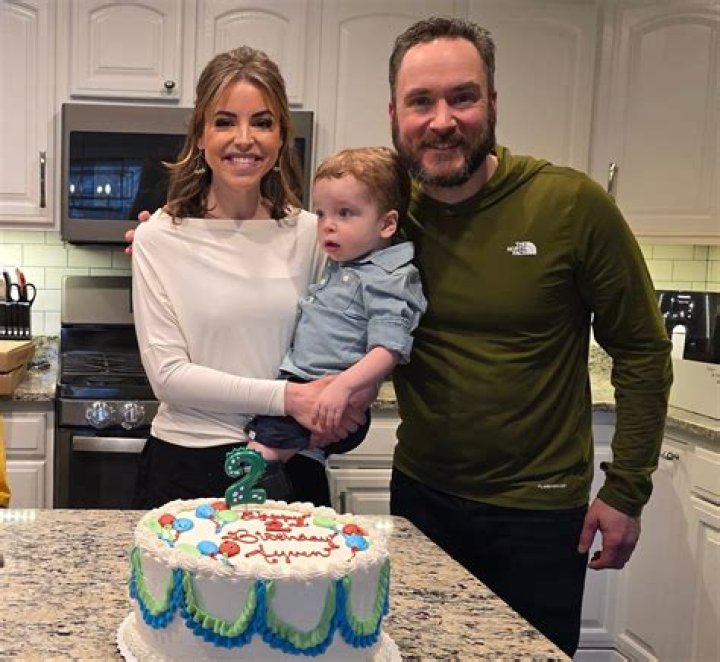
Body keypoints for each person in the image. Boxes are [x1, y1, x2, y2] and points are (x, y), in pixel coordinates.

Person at [385, 17, 672, 657]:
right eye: (421, 101)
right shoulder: (387, 213)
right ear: (395, 114)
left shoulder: (569, 204)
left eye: (462, 97)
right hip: (419, 496)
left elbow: (642, 351)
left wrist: (626, 490)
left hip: (538, 513)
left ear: (492, 103)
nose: (442, 121)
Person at [130, 46, 369, 509]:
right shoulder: (158, 237)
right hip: (187, 462)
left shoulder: (312, 235)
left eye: (262, 122)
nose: (244, 139)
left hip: (290, 462)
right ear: (200, 135)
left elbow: (340, 345)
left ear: (281, 137)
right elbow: (168, 377)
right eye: (224, 122)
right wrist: (291, 399)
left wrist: (338, 400)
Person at [244, 146, 426, 499]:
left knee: (258, 458)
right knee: (291, 461)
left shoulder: (390, 277)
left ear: (387, 224)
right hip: (308, 387)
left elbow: (389, 348)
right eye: (321, 213)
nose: (327, 224)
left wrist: (344, 388)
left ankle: (258, 500)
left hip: (332, 394)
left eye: (345, 213)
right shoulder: (347, 261)